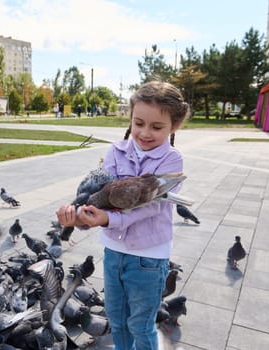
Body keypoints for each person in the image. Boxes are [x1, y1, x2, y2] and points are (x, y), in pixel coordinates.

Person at [56, 80, 189, 350]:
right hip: (114, 250)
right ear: (130, 118)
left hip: (149, 256)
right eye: (139, 123)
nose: (145, 132)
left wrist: (107, 219)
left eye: (157, 126)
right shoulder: (115, 152)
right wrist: (78, 219)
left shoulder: (172, 160)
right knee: (117, 320)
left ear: (173, 126)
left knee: (140, 324)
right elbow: (102, 201)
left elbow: (150, 208)